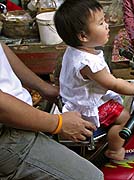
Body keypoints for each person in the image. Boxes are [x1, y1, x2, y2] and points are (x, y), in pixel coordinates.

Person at [54, 0, 134, 161]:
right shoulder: (88, 63)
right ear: (83, 36)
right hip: (87, 108)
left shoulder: (75, 50)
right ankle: (115, 149)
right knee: (125, 117)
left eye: (104, 20)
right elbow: (112, 83)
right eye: (101, 23)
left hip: (76, 99)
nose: (107, 26)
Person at [0, 42, 103, 180]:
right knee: (91, 177)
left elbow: (1, 49)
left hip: (20, 114)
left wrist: (42, 87)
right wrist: (58, 124)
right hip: (7, 133)